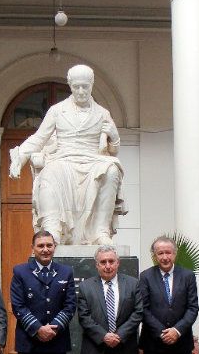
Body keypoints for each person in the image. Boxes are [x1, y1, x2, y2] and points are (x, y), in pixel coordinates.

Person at [8, 64, 124, 245]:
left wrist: (115, 137)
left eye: (85, 86)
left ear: (92, 85)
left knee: (111, 171)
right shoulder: (57, 110)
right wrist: (20, 157)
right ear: (70, 85)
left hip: (92, 159)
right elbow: (39, 138)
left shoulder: (102, 113)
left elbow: (113, 149)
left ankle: (100, 231)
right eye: (76, 86)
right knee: (49, 173)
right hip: (63, 158)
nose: (80, 91)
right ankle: (53, 229)